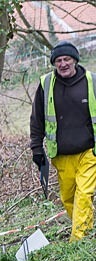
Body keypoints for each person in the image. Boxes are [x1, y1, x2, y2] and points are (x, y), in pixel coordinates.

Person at [30, 40, 96, 241]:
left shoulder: (92, 81)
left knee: (84, 195)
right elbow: (37, 119)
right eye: (58, 60)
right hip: (61, 154)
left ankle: (77, 239)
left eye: (67, 59)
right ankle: (87, 227)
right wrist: (36, 148)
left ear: (75, 60)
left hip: (89, 152)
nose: (63, 64)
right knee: (68, 198)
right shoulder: (46, 84)